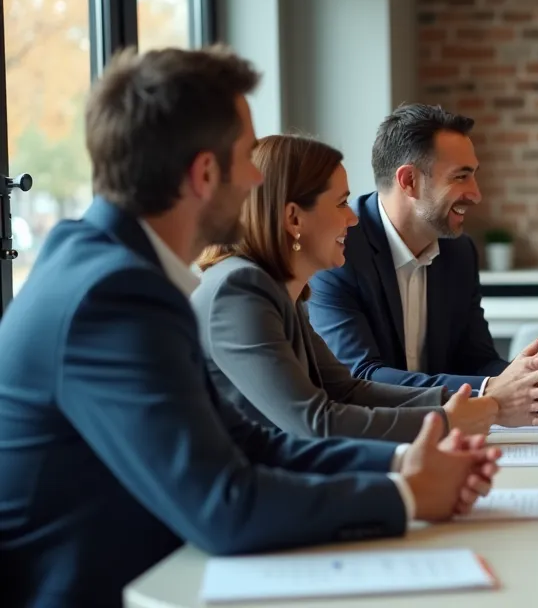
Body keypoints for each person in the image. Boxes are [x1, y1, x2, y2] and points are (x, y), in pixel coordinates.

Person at [0, 46, 501, 607]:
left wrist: (400, 462)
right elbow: (224, 506)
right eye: (246, 158)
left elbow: (247, 443)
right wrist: (405, 495)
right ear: (204, 173)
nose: (255, 178)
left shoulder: (107, 267)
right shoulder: (113, 295)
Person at [192, 135, 538, 442]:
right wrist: (479, 410)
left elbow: (347, 390)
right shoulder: (240, 289)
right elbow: (317, 422)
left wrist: (493, 399)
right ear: (294, 218)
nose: (351, 220)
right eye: (340, 204)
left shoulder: (276, 290)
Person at [307, 104, 538, 418]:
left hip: (449, 433)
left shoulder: (460, 252)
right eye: (461, 176)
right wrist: (489, 391)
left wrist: (534, 380)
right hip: (374, 439)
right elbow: (360, 375)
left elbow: (475, 359)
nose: (476, 194)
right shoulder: (340, 247)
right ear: (409, 181)